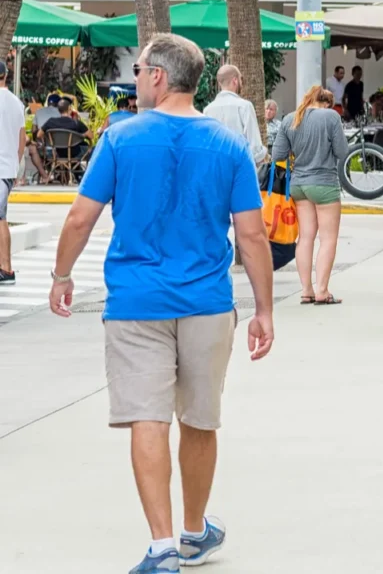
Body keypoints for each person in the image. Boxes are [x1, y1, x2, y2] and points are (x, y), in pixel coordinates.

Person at [48, 33, 274, 574]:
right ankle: (195, 531)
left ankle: (161, 547)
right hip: (207, 301)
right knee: (200, 419)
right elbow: (252, 236)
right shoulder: (227, 145)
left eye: (141, 66)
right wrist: (265, 309)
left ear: (157, 77)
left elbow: (81, 217)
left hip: (136, 301)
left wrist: (61, 275)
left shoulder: (122, 138)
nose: (136, 75)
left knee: (147, 417)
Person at [271, 85, 347, 304]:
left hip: (298, 185)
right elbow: (342, 152)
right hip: (324, 184)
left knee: (305, 237)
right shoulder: (331, 117)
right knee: (328, 238)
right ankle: (322, 290)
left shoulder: (289, 119)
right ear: (325, 103)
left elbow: (278, 155)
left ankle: (306, 290)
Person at [203, 65, 268, 165]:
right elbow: (255, 147)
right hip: (239, 169)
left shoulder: (208, 110)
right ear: (235, 80)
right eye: (240, 79)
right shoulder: (245, 106)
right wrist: (263, 153)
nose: (241, 83)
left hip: (216, 169)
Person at [0, 63, 23, 284]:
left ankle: (6, 269)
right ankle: (5, 268)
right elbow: (22, 139)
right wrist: (15, 166)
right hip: (7, 168)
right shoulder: (16, 103)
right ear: (6, 76)